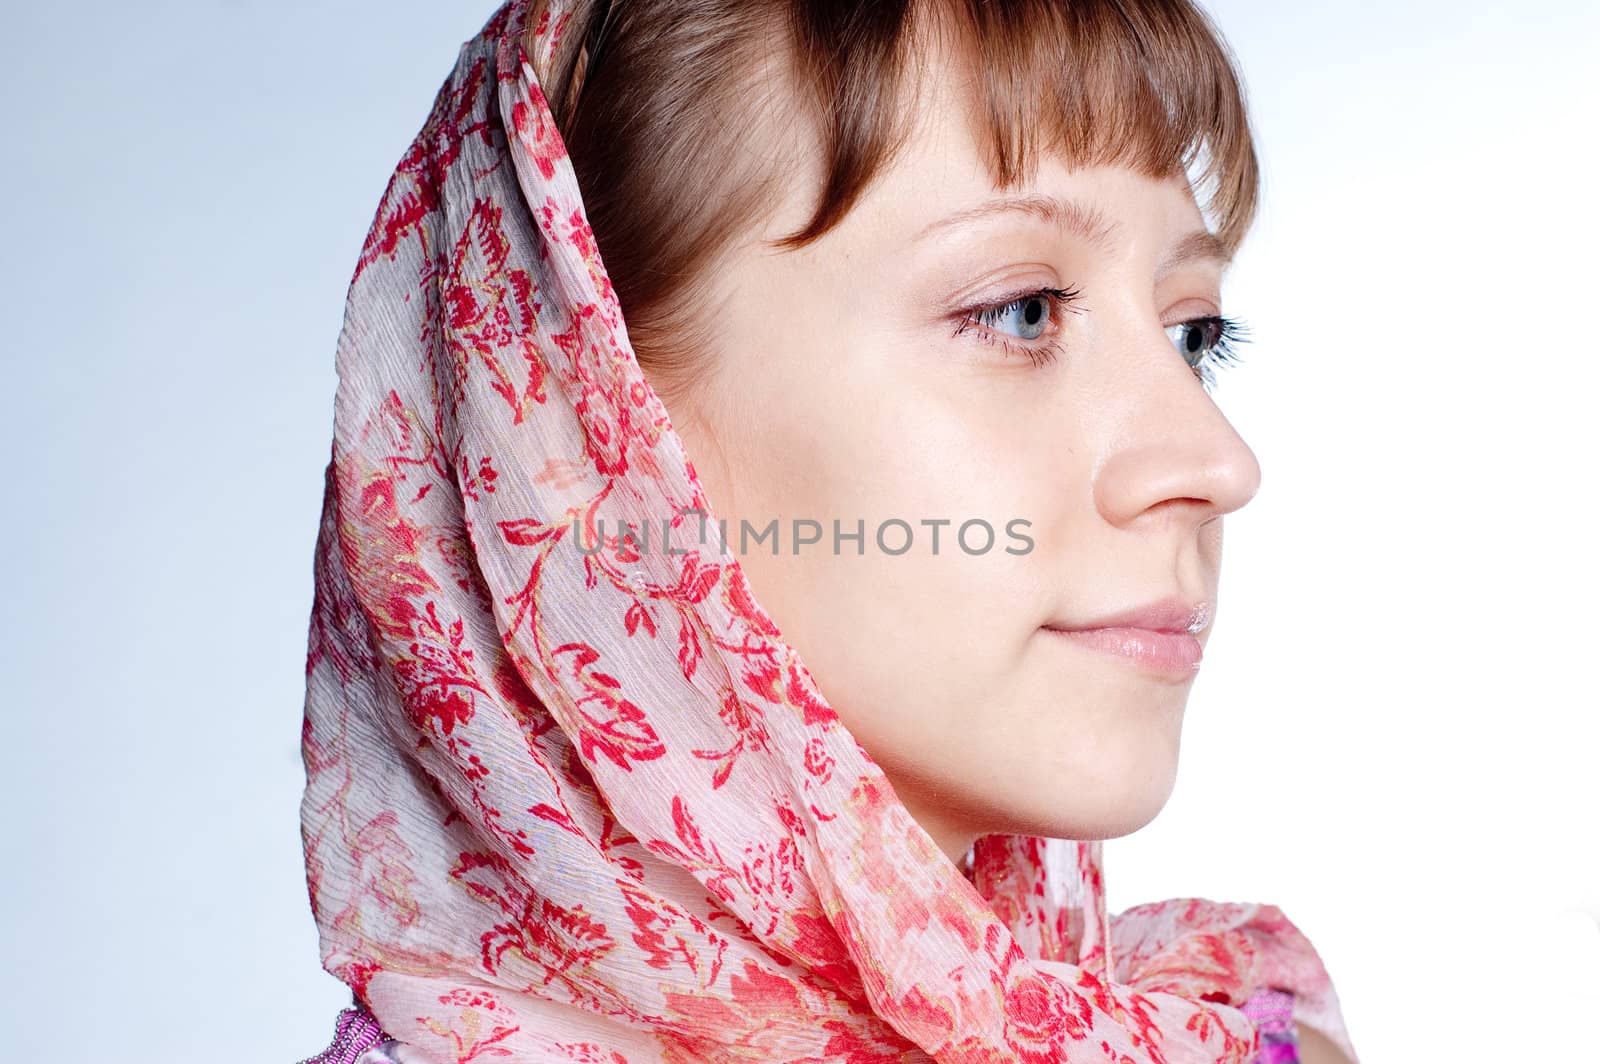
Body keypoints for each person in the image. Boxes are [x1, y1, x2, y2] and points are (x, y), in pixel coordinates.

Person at [296, 0, 1360, 1060]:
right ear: (570, 431)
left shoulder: (1229, 1035)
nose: (1218, 463)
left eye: (1194, 332)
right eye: (1021, 310)